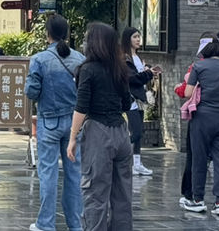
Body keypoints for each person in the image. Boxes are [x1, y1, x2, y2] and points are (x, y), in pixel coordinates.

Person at [66, 22, 133, 231]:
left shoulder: (87, 70)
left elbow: (81, 107)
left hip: (98, 131)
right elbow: (126, 102)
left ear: (94, 43)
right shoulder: (120, 68)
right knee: (122, 196)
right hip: (122, 133)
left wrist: (73, 137)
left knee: (95, 193)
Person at [25, 14, 85, 231]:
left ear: (47, 33)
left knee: (48, 173)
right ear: (67, 33)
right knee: (74, 173)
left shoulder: (39, 59)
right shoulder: (80, 59)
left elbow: (31, 91)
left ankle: (46, 223)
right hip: (74, 122)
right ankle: (75, 224)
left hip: (48, 121)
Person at [183, 38, 219, 216]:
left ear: (206, 52)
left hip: (202, 118)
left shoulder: (198, 67)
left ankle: (198, 199)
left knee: (199, 158)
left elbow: (187, 93)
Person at [121, 26, 161, 177]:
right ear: (127, 39)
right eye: (135, 37)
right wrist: (147, 73)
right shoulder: (124, 58)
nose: (138, 40)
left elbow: (140, 76)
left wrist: (149, 72)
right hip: (130, 98)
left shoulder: (137, 57)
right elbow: (132, 79)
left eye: (139, 36)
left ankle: (136, 164)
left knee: (139, 132)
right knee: (136, 132)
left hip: (140, 98)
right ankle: (123, 159)